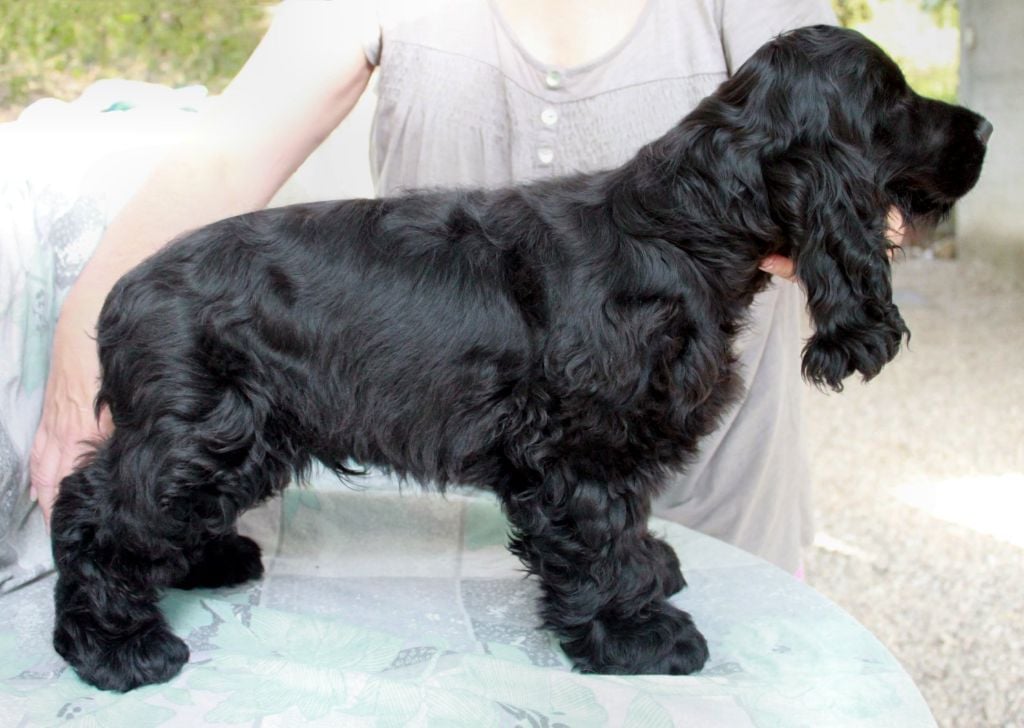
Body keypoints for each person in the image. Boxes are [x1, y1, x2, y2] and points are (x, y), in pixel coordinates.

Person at [13, 0, 859, 590]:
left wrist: (816, 219)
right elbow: (226, 157)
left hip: (711, 507)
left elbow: (857, 166)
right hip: (443, 479)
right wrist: (82, 327)